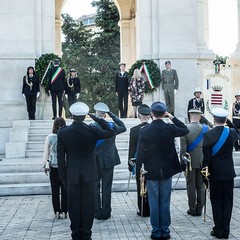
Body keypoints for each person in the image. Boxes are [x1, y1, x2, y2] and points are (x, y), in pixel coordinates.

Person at [57, 102, 114, 240]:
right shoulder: (92, 130)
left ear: (71, 115)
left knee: (74, 206)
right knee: (88, 206)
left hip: (71, 175)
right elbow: (110, 131)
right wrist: (97, 118)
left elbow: (60, 158)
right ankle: (87, 234)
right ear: (85, 116)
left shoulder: (63, 132)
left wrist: (63, 177)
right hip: (90, 175)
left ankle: (76, 234)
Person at [137, 101, 189, 240]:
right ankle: (165, 231)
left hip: (151, 171)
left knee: (154, 203)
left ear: (152, 114)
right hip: (166, 171)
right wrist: (171, 117)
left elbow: (140, 153)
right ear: (164, 114)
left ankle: (156, 231)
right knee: (165, 202)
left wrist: (139, 172)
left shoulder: (145, 130)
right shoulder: (170, 128)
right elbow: (185, 129)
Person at [202, 107, 239, 239]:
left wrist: (204, 176)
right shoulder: (232, 132)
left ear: (213, 119)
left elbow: (205, 159)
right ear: (225, 119)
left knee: (216, 201)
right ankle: (226, 230)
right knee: (228, 202)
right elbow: (237, 132)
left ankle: (218, 230)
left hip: (215, 174)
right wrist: (229, 122)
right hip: (229, 173)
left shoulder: (208, 135)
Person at [93, 102, 126, 220]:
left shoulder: (92, 126)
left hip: (95, 161)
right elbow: (123, 126)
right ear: (105, 115)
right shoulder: (112, 126)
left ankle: (97, 212)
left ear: (96, 114)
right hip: (109, 160)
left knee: (95, 186)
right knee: (107, 187)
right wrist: (112, 115)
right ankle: (106, 212)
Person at [180, 109, 209, 217]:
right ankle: (200, 208)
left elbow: (183, 150)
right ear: (200, 117)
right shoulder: (206, 128)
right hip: (203, 162)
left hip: (190, 162)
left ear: (189, 116)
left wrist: (182, 163)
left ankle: (192, 208)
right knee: (200, 185)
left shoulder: (185, 129)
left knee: (191, 185)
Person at [128, 104, 151, 217]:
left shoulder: (134, 130)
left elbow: (132, 149)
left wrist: (130, 164)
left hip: (139, 161)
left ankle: (142, 209)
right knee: (151, 186)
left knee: (140, 185)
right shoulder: (153, 128)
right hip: (151, 162)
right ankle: (151, 208)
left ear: (139, 115)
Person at [42, 117, 67, 219]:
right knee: (65, 190)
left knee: (55, 190)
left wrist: (44, 165)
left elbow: (46, 153)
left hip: (53, 166)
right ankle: (65, 211)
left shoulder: (50, 137)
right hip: (65, 166)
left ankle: (57, 211)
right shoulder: (66, 136)